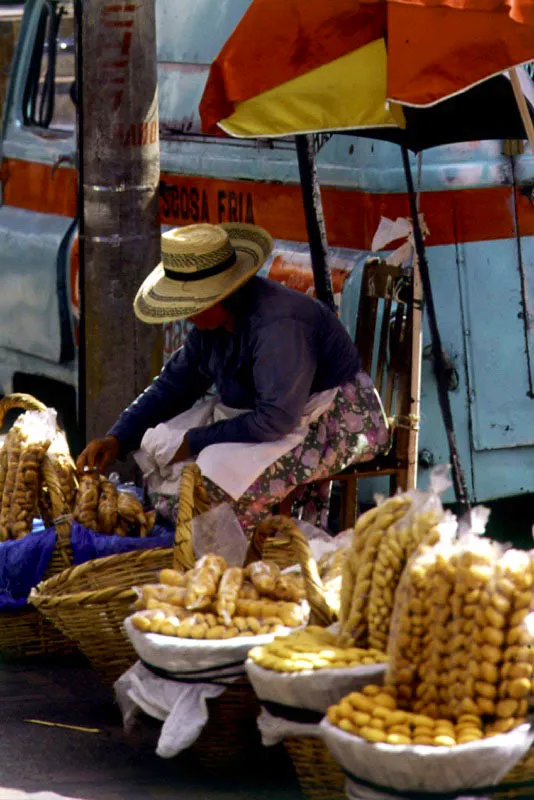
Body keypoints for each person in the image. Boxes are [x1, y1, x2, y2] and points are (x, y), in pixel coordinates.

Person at [77, 222, 389, 533]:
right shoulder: (209, 329)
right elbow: (175, 384)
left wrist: (194, 440)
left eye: (192, 304)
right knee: (166, 462)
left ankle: (247, 561)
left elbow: (276, 419)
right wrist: (118, 437)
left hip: (336, 420)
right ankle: (190, 555)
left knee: (215, 484)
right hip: (266, 413)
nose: (186, 314)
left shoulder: (279, 326)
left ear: (222, 294)